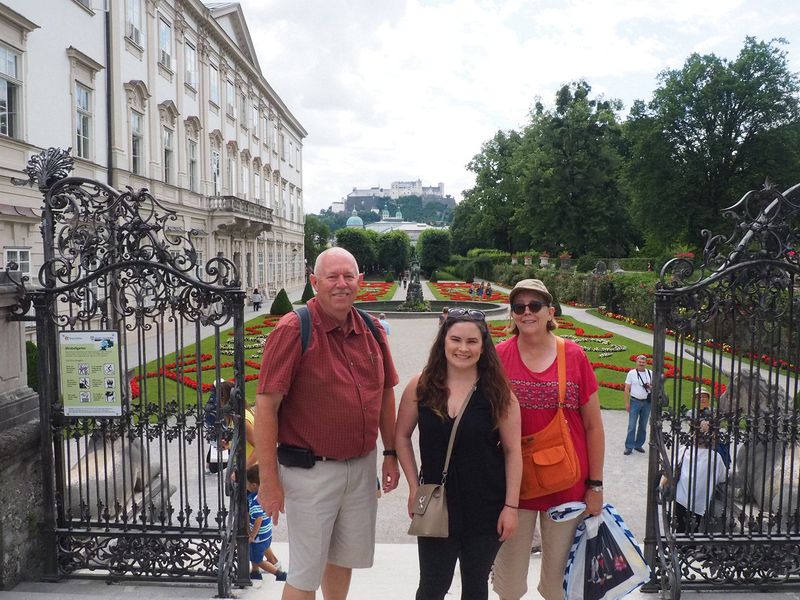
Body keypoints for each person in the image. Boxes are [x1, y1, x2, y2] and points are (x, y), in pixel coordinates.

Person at [254, 247, 400, 600]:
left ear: (360, 282)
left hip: (361, 468)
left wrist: (391, 453)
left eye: (348, 276)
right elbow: (266, 407)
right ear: (314, 282)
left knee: (342, 560)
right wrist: (270, 481)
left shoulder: (372, 329)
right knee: (305, 573)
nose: (341, 284)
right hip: (310, 473)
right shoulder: (294, 328)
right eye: (332, 277)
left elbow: (384, 395)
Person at [395, 308, 521, 600]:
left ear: (483, 345)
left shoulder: (499, 392)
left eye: (472, 341)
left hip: (486, 503)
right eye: (455, 339)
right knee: (432, 586)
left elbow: (514, 452)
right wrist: (414, 487)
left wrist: (510, 507)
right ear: (443, 341)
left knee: (475, 586)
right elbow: (401, 436)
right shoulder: (421, 385)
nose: (463, 348)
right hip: (436, 499)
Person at [492, 279, 604, 600]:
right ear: (512, 314)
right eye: (519, 307)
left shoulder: (574, 355)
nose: (527, 312)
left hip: (567, 483)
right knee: (509, 583)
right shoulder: (499, 356)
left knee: (559, 586)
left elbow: (594, 426)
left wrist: (595, 485)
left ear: (550, 311)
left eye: (535, 306)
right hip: (514, 487)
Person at [659, 419, 727, 533]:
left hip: (680, 498)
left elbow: (670, 470)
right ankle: (687, 550)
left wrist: (661, 486)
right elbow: (723, 477)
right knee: (692, 532)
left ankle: (676, 548)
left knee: (679, 528)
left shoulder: (685, 450)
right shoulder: (715, 458)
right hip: (698, 503)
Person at [246, 465, 288, 582]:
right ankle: (255, 572)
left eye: (247, 483)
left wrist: (252, 535)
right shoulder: (264, 496)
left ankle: (279, 574)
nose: (246, 485)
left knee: (257, 560)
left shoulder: (254, 502)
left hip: (258, 537)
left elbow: (258, 519)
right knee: (255, 554)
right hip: (266, 534)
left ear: (254, 485)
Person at [623, 355, 652, 455]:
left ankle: (638, 445)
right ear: (636, 362)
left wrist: (650, 387)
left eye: (643, 362)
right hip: (635, 401)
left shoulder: (650, 373)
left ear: (646, 363)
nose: (641, 363)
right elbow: (627, 388)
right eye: (640, 362)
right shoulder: (631, 373)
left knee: (643, 425)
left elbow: (655, 387)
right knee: (632, 425)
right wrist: (627, 403)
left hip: (647, 402)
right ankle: (629, 446)